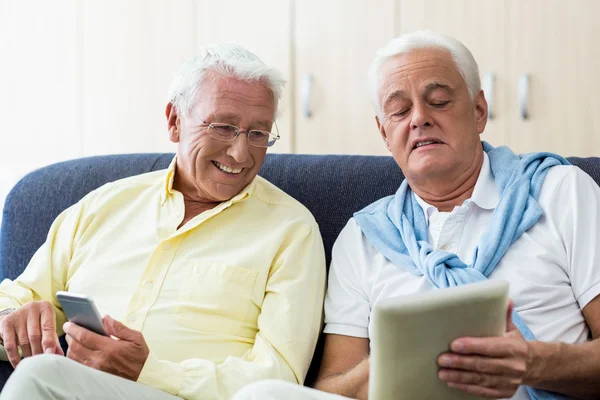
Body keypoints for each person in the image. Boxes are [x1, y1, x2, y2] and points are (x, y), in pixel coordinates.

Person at [232, 31, 600, 400]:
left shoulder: (561, 192)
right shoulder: (365, 236)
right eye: (399, 110)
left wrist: (534, 363)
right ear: (384, 132)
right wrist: (388, 366)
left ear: (479, 111)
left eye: (439, 101)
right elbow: (332, 387)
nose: (419, 119)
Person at [0, 43, 326, 400]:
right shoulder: (102, 206)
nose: (240, 153)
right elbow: (15, 298)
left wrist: (150, 373)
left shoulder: (292, 230)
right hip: (75, 390)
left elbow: (279, 379)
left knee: (40, 375)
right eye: (223, 127)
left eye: (258, 134)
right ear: (174, 122)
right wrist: (13, 320)